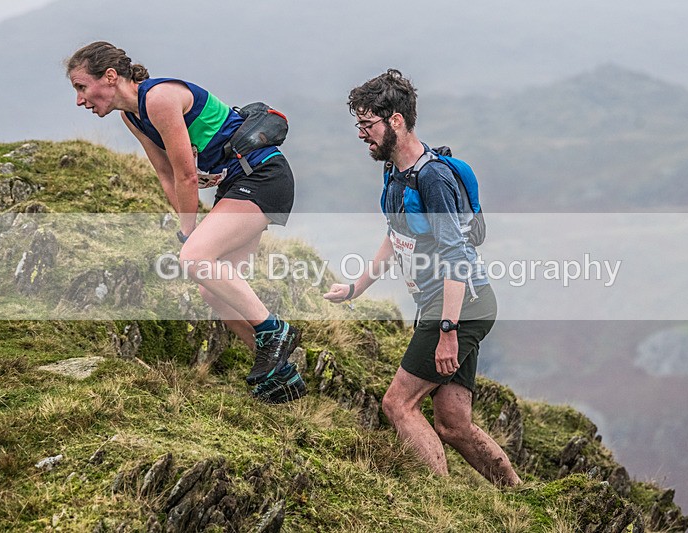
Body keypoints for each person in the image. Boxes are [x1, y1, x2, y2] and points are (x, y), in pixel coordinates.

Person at [66, 41, 305, 403]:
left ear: (110, 77)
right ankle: (283, 379)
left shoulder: (159, 99)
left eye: (82, 87)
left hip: (263, 176)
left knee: (195, 259)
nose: (80, 100)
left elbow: (188, 176)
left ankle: (275, 331)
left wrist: (188, 234)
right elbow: (167, 175)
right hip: (237, 183)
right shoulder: (132, 116)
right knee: (213, 289)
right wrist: (189, 231)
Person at [324, 69, 521, 487]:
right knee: (452, 424)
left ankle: (438, 509)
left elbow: (456, 256)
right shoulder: (394, 171)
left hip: (459, 305)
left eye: (367, 124)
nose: (361, 134)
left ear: (395, 119)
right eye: (358, 124)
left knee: (398, 404)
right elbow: (396, 237)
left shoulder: (432, 178)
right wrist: (357, 287)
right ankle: (517, 496)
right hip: (453, 305)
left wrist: (448, 329)